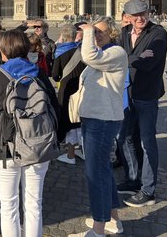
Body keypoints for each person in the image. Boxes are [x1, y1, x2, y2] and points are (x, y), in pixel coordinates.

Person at [0, 29, 58, 237]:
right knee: (34, 204)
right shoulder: (38, 72)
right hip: (37, 143)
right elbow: (54, 108)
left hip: (5, 145)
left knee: (8, 205)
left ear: (5, 50)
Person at [68, 18, 128, 237]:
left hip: (102, 121)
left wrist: (87, 31)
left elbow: (89, 56)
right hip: (95, 119)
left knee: (96, 174)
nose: (95, 35)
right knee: (103, 171)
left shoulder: (116, 52)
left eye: (99, 31)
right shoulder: (103, 54)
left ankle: (98, 230)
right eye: (94, 31)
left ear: (113, 33)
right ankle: (112, 220)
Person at [117, 0, 167, 208]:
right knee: (125, 138)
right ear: (127, 17)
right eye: (135, 15)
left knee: (147, 143)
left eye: (143, 13)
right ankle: (133, 180)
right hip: (126, 94)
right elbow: (116, 58)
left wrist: (128, 59)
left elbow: (149, 63)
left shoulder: (158, 33)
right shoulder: (123, 33)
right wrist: (135, 57)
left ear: (148, 13)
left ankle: (148, 190)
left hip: (147, 95)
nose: (140, 18)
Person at [52, 24, 83, 165]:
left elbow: (55, 75)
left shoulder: (60, 52)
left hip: (66, 89)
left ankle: (70, 155)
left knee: (68, 121)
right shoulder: (83, 51)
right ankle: (82, 150)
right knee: (80, 120)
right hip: (82, 89)